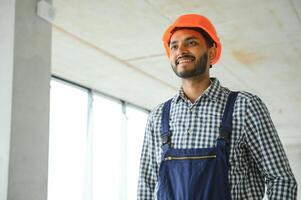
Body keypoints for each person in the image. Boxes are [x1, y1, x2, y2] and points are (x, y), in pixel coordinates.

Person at [137, 14, 297, 199]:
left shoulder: (244, 107)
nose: (180, 50)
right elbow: (146, 186)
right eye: (174, 46)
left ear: (211, 52)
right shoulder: (158, 116)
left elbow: (281, 179)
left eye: (191, 43)